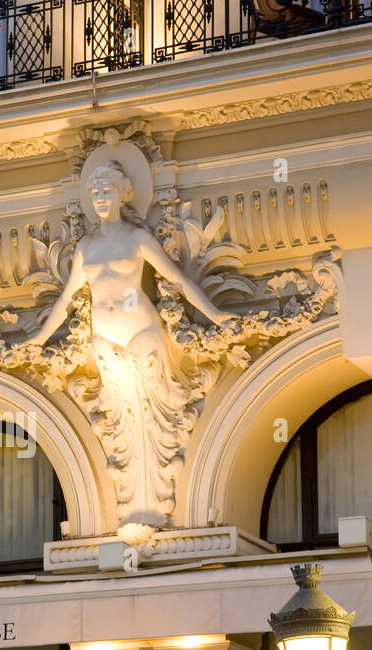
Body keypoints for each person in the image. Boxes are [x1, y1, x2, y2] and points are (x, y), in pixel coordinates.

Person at [28, 161, 236, 538]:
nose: (100, 198)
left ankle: (153, 498)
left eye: (107, 191)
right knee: (120, 417)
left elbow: (176, 278)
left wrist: (215, 314)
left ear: (124, 194)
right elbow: (67, 299)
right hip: (105, 341)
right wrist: (40, 338)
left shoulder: (137, 239)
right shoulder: (87, 247)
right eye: (94, 193)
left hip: (141, 331)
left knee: (152, 410)